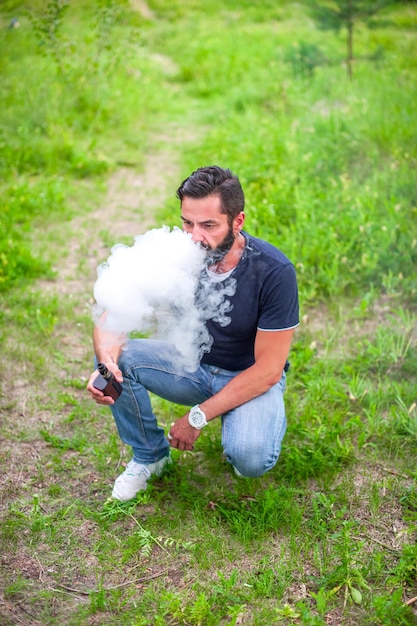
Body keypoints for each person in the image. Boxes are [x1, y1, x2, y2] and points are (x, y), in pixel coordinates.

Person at [87, 165, 299, 501]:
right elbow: (112, 317)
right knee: (121, 358)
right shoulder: (177, 255)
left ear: (238, 221)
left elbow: (269, 370)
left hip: (249, 375)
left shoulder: (274, 272)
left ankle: (245, 419)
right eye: (188, 223)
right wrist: (105, 366)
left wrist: (197, 418)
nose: (195, 236)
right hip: (192, 368)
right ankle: (150, 456)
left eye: (208, 225)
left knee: (251, 459)